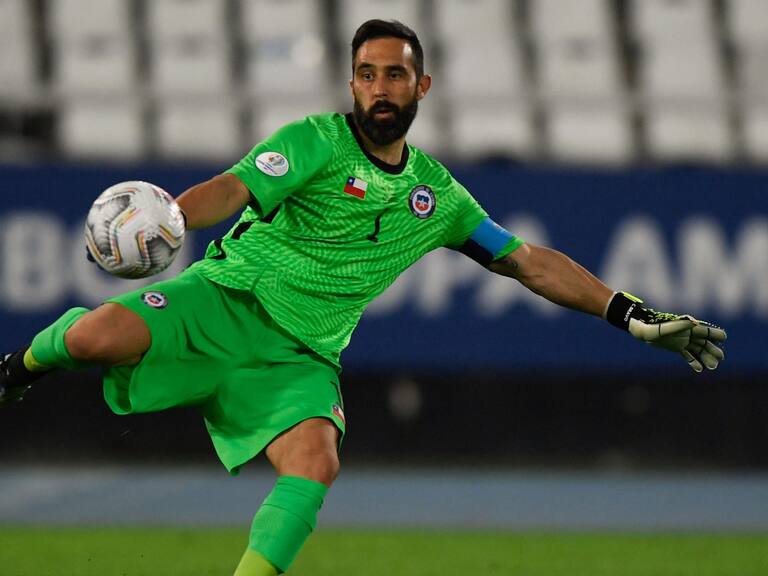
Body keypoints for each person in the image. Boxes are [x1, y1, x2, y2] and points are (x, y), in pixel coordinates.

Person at [0, 19, 726, 576]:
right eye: (366, 75)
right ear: (351, 85)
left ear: (422, 86)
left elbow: (528, 261)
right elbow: (234, 187)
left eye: (395, 75)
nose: (380, 88)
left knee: (316, 462)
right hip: (221, 300)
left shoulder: (437, 197)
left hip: (302, 356)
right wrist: (177, 218)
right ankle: (19, 368)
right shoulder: (314, 141)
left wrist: (628, 312)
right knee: (93, 339)